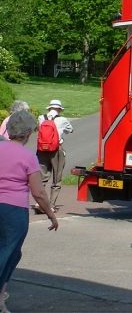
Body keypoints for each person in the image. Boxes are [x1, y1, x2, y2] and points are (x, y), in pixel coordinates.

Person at [0, 111, 59, 313]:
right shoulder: (28, 156)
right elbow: (38, 192)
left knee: (11, 253)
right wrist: (50, 213)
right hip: (14, 209)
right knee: (9, 252)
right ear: (26, 134)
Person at [35, 99, 73, 213]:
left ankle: (39, 202)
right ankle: (51, 205)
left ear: (49, 108)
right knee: (57, 178)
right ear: (59, 109)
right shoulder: (62, 120)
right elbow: (70, 130)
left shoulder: (41, 118)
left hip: (42, 149)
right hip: (56, 150)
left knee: (42, 177)